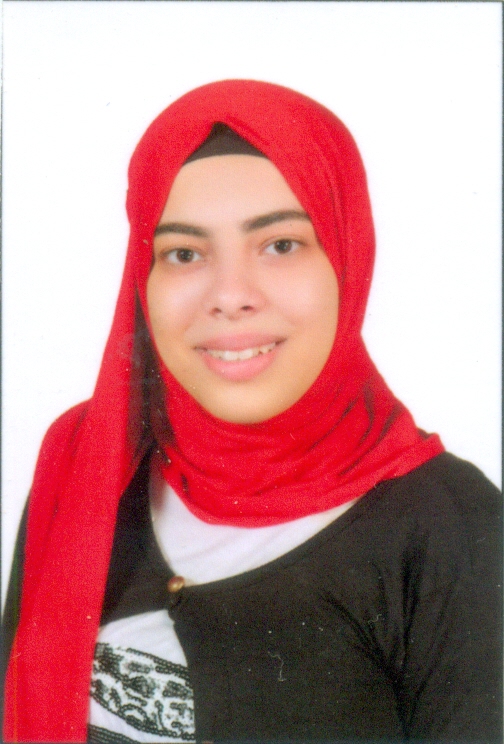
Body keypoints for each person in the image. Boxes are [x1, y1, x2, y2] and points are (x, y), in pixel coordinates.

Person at [3, 80, 501, 744]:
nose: (230, 295)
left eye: (281, 244)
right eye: (184, 253)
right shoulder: (88, 463)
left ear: (347, 256)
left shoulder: (453, 528)